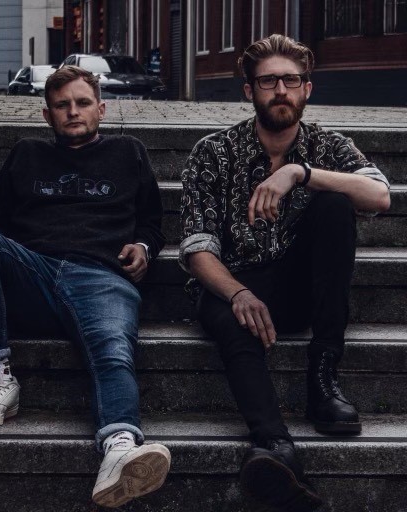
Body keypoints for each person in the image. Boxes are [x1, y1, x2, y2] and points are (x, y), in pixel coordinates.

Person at [179, 34, 390, 511]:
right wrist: (238, 293)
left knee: (337, 206)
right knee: (232, 315)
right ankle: (276, 447)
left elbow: (381, 197)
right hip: (231, 286)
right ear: (248, 91)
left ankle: (323, 380)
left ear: (307, 90)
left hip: (298, 291)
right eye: (268, 81)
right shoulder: (213, 153)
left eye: (290, 80)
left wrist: (299, 173)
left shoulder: (327, 146)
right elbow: (196, 249)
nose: (280, 90)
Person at [0, 65, 171, 509]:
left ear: (101, 109)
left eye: (83, 103)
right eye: (62, 105)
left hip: (103, 276)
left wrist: (145, 247)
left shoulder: (129, 152)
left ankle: (119, 448)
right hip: (34, 273)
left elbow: (152, 221)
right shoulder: (26, 154)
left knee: (112, 345)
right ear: (47, 114)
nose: (73, 112)